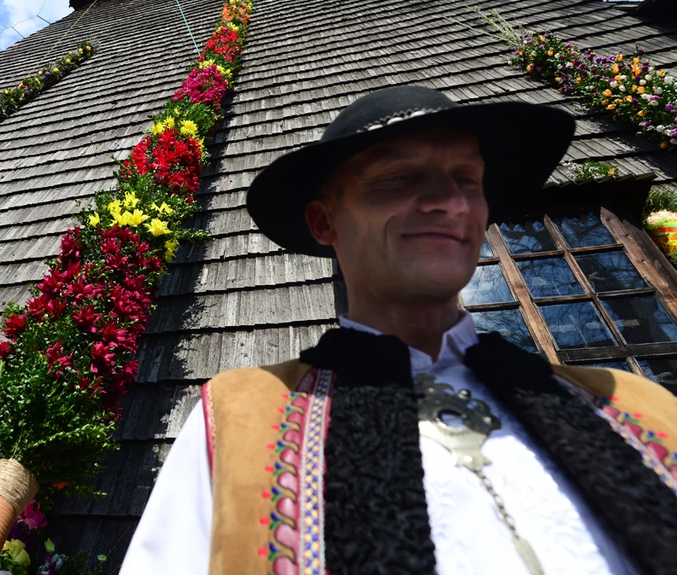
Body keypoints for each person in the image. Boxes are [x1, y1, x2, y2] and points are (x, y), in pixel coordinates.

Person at [119, 86, 677, 575]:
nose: (451, 201)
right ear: (324, 222)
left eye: (468, 178)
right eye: (399, 177)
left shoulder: (641, 406)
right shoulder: (238, 418)